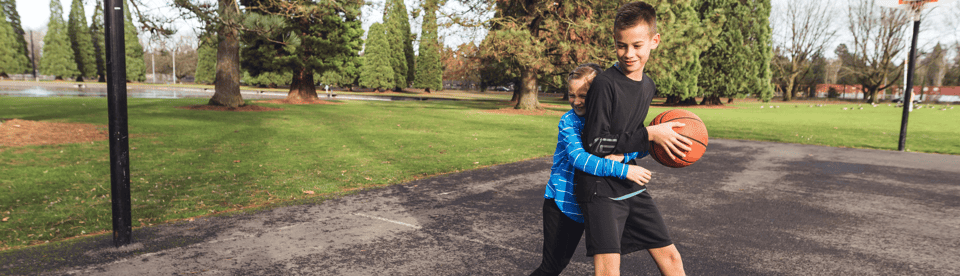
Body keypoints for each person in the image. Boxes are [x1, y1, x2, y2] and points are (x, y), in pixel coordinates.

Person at [574, 2, 693, 276]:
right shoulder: (605, 84)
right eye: (621, 45)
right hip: (599, 187)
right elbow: (593, 143)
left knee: (672, 258)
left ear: (655, 41)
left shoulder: (648, 86)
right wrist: (650, 134)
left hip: (629, 180)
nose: (629, 54)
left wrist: (657, 144)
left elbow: (629, 138)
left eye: (637, 45)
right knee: (609, 270)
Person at [530, 63, 653, 276]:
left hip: (592, 201)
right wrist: (623, 170)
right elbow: (580, 159)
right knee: (552, 267)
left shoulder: (609, 118)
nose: (576, 101)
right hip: (563, 203)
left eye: (583, 95)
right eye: (571, 95)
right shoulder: (569, 120)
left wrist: (625, 155)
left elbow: (640, 146)